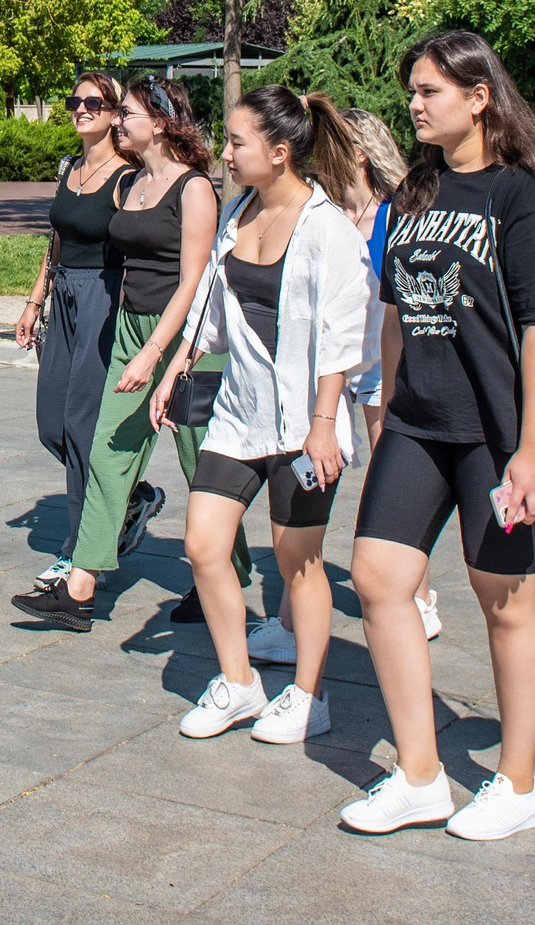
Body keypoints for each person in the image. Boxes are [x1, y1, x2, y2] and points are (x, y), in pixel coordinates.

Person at [338, 29, 535, 843]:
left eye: (429, 91)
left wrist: (534, 445)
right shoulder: (416, 191)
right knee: (376, 577)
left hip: (496, 434)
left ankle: (517, 782)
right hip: (418, 420)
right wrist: (391, 402)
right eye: (411, 91)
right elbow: (398, 309)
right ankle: (419, 774)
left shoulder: (525, 196)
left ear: (479, 97)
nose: (414, 104)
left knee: (504, 599)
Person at [151, 86, 377, 744]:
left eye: (237, 142)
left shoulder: (325, 228)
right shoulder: (237, 212)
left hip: (307, 426)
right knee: (202, 544)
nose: (224, 153)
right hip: (239, 415)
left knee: (296, 559)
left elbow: (343, 331)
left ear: (279, 153)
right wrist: (175, 367)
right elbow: (210, 309)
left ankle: (309, 694)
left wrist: (324, 422)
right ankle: (241, 683)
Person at [14, 77, 247, 628]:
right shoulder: (134, 181)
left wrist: (155, 353)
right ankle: (81, 588)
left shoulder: (193, 189)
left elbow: (194, 282)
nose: (118, 121)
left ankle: (228, 576)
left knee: (202, 472)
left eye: (128, 114)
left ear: (161, 122)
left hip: (189, 344)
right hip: (131, 331)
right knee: (107, 453)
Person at [249, 104, 437, 672]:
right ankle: (290, 619)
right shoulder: (326, 214)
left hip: (381, 367)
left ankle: (420, 599)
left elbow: (398, 303)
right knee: (306, 483)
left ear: (358, 152)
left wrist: (396, 378)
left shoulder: (395, 212)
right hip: (330, 369)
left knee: (391, 483)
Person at [13, 73, 132, 595]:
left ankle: (80, 553)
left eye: (94, 102)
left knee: (83, 425)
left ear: (113, 112)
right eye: (75, 101)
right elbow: (56, 236)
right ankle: (129, 495)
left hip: (102, 297)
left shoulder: (127, 176)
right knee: (52, 424)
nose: (81, 109)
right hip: (61, 295)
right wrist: (35, 298)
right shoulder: (72, 167)